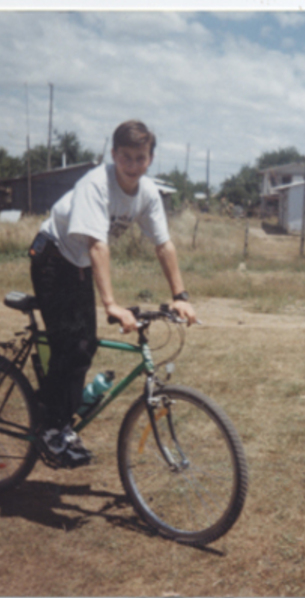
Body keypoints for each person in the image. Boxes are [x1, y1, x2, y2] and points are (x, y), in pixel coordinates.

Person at [29, 119, 196, 468]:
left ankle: (62, 425)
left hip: (77, 264)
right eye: (126, 157)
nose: (133, 166)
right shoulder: (96, 184)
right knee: (73, 344)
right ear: (114, 155)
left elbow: (163, 245)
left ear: (150, 158)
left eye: (141, 157)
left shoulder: (147, 193)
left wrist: (180, 295)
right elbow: (97, 245)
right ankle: (49, 428)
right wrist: (111, 304)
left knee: (84, 345)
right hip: (52, 256)